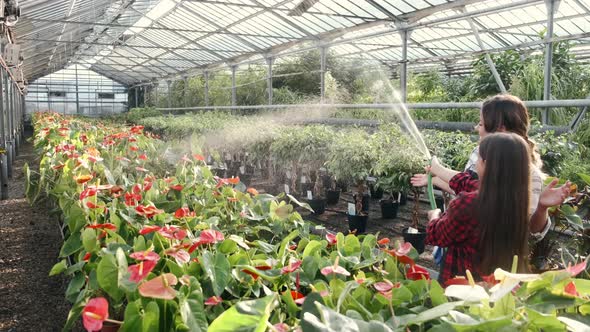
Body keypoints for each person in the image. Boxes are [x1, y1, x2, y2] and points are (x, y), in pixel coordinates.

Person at [425, 133, 570, 284]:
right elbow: (467, 182)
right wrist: (541, 207)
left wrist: (434, 216)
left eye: (479, 159)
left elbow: (436, 235)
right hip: (501, 286)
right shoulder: (517, 200)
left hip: (465, 288)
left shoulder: (467, 203)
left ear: (486, 164)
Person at [412, 94, 550, 239]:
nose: (477, 128)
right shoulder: (478, 152)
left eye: (481, 124)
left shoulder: (529, 174)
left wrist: (438, 170)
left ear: (500, 130)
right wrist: (435, 179)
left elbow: (531, 233)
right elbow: (465, 188)